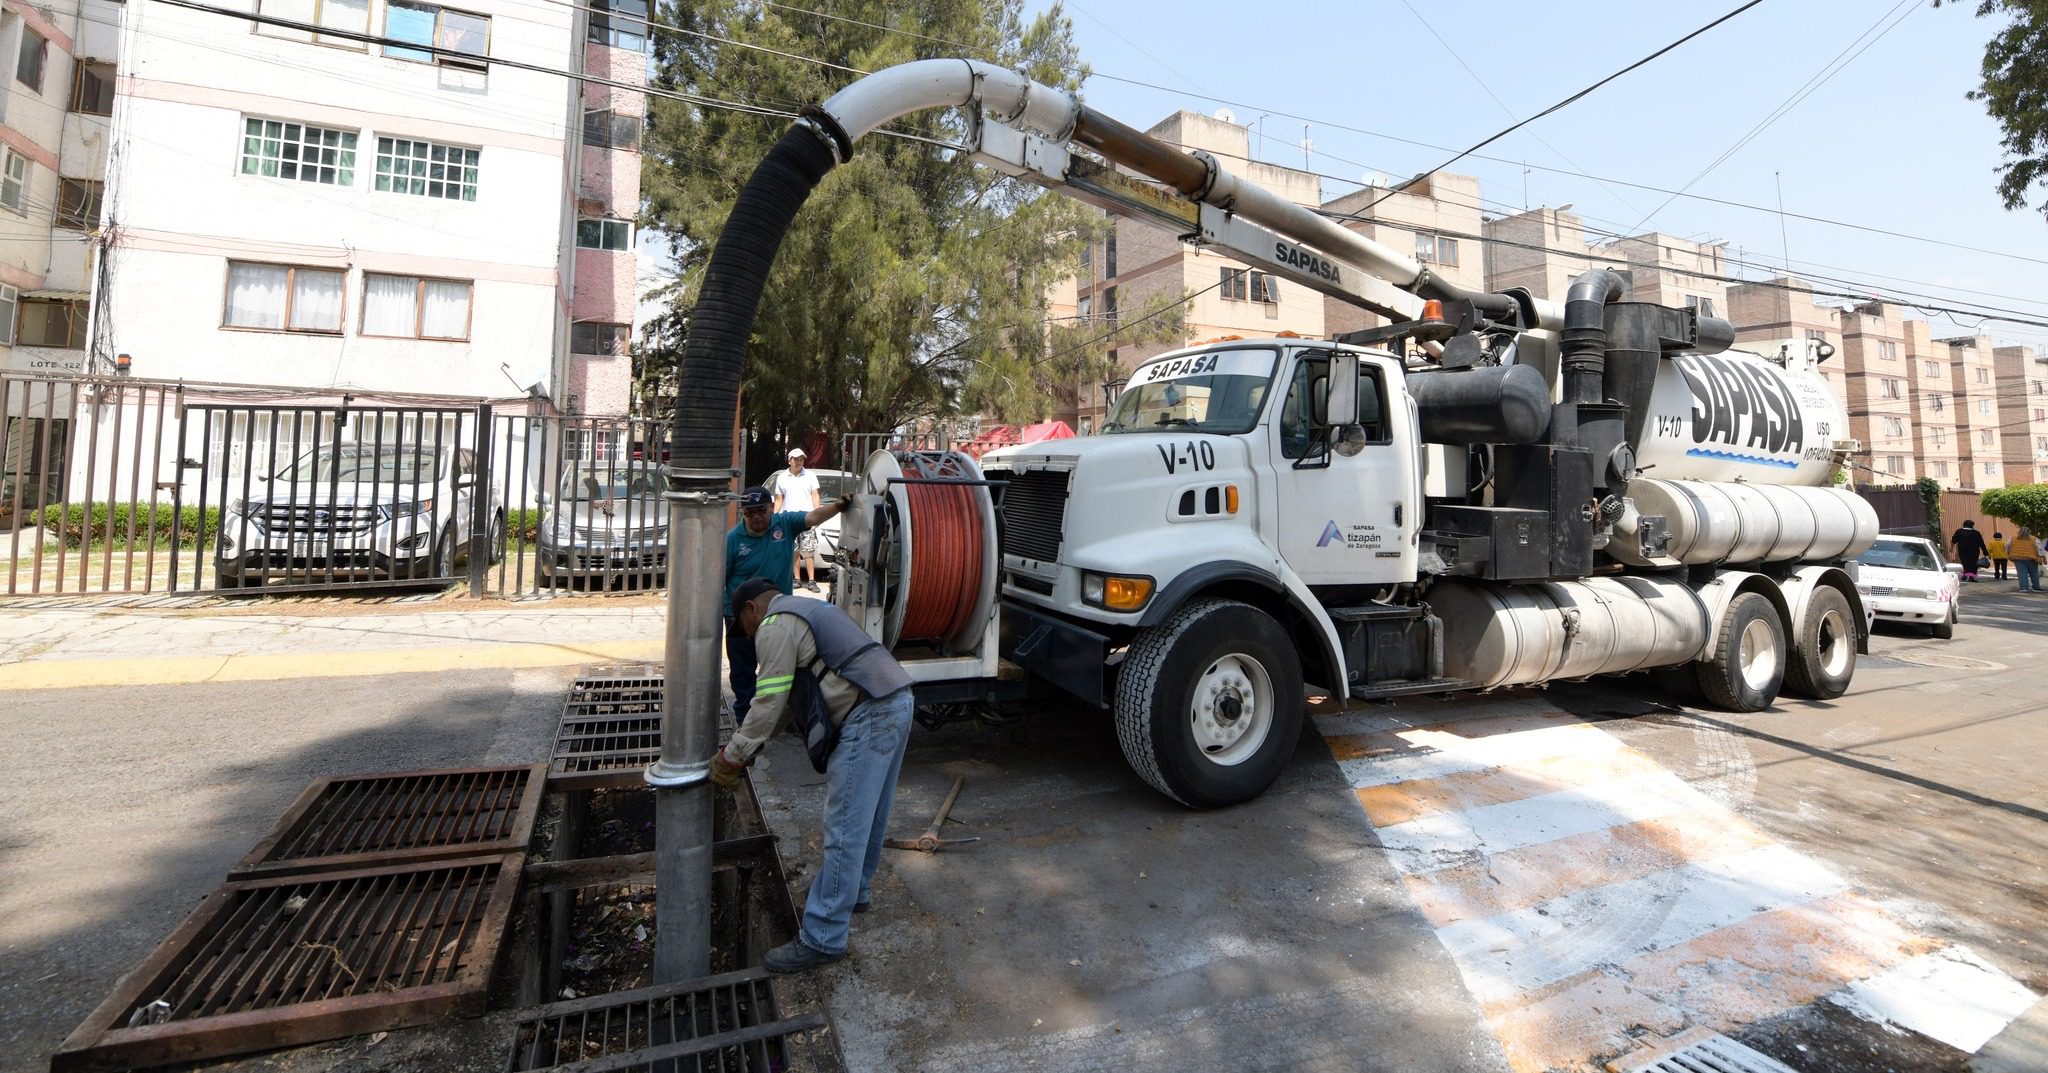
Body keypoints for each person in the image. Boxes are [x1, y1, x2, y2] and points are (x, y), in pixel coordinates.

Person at [712, 577, 915, 973]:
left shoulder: (774, 625)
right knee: (869, 816)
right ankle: (853, 891)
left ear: (752, 609)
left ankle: (823, 936)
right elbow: (788, 702)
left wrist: (731, 756)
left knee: (843, 827)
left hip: (867, 713)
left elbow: (768, 699)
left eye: (743, 627)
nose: (747, 636)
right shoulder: (809, 607)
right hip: (896, 698)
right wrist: (753, 745)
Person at [723, 485, 851, 726]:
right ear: (743, 514)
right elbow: (720, 578)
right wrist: (729, 614)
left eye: (761, 510)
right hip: (741, 619)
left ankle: (788, 718)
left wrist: (838, 506)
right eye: (749, 513)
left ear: (772, 508)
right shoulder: (733, 540)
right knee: (743, 672)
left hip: (778, 615)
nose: (756, 517)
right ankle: (745, 721)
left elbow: (812, 517)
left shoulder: (784, 524)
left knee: (785, 667)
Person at [773, 448, 824, 592]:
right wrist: (775, 517)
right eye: (796, 459)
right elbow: (778, 499)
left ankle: (812, 581)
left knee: (808, 551)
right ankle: (797, 579)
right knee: (793, 550)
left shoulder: (810, 476)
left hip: (806, 518)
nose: (798, 462)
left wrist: (817, 513)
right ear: (790, 460)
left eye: (801, 459)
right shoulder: (782, 477)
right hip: (788, 519)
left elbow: (815, 495)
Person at [2010, 528, 2042, 592]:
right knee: (2034, 573)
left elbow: (2007, 546)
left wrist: (2008, 553)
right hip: (2031, 558)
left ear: (2019, 532)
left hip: (2018, 558)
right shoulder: (2034, 539)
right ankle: (2036, 587)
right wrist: (2042, 557)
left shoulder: (2013, 538)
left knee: (2022, 573)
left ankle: (2024, 588)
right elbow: (2039, 549)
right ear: (2029, 532)